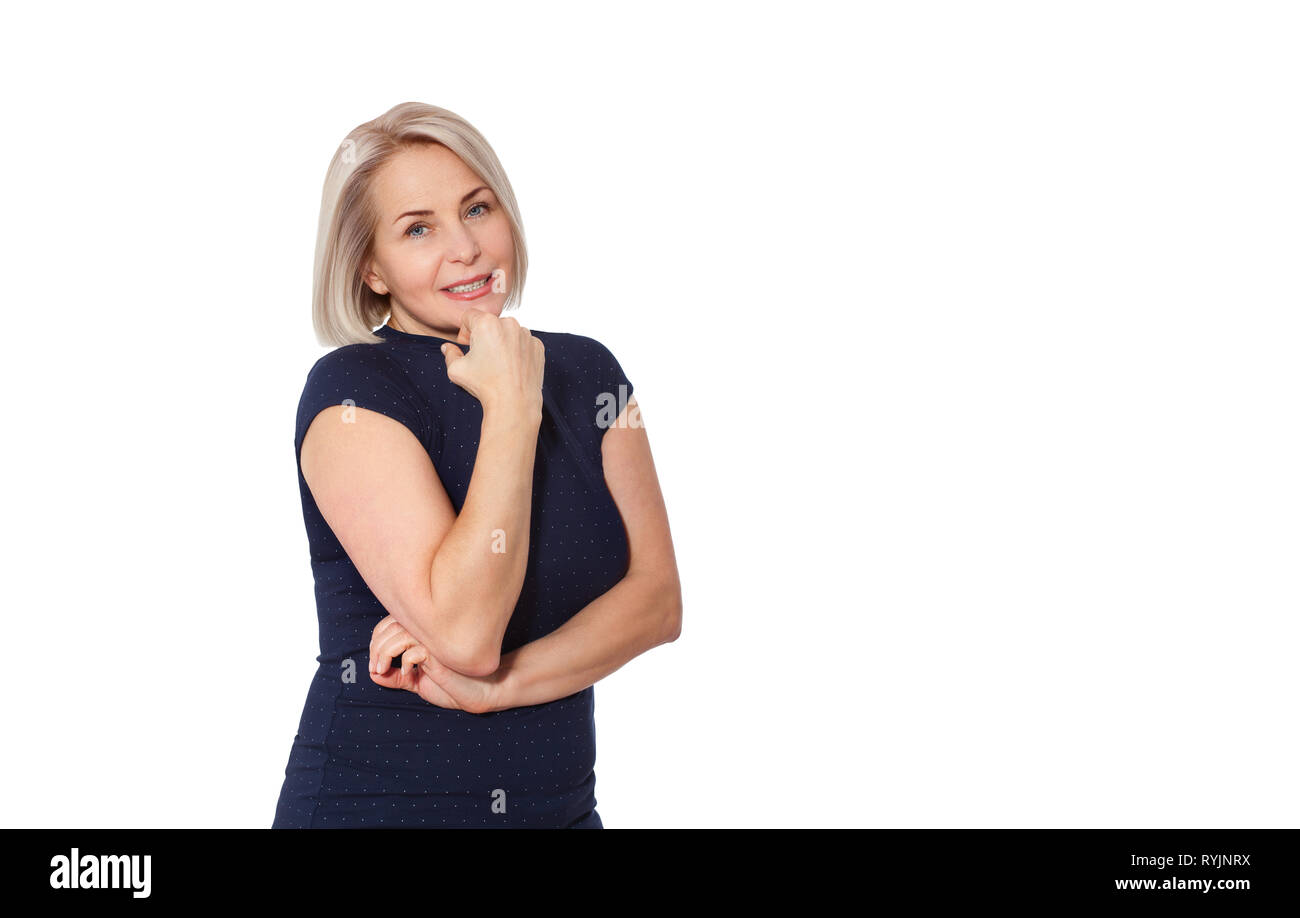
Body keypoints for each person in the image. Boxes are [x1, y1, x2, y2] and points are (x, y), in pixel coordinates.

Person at [272, 102, 682, 828]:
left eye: (477, 208)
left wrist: (500, 688)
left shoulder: (592, 373)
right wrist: (513, 408)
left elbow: (658, 602)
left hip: (559, 810)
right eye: (418, 228)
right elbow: (467, 632)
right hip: (378, 805)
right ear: (371, 267)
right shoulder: (351, 391)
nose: (464, 247)